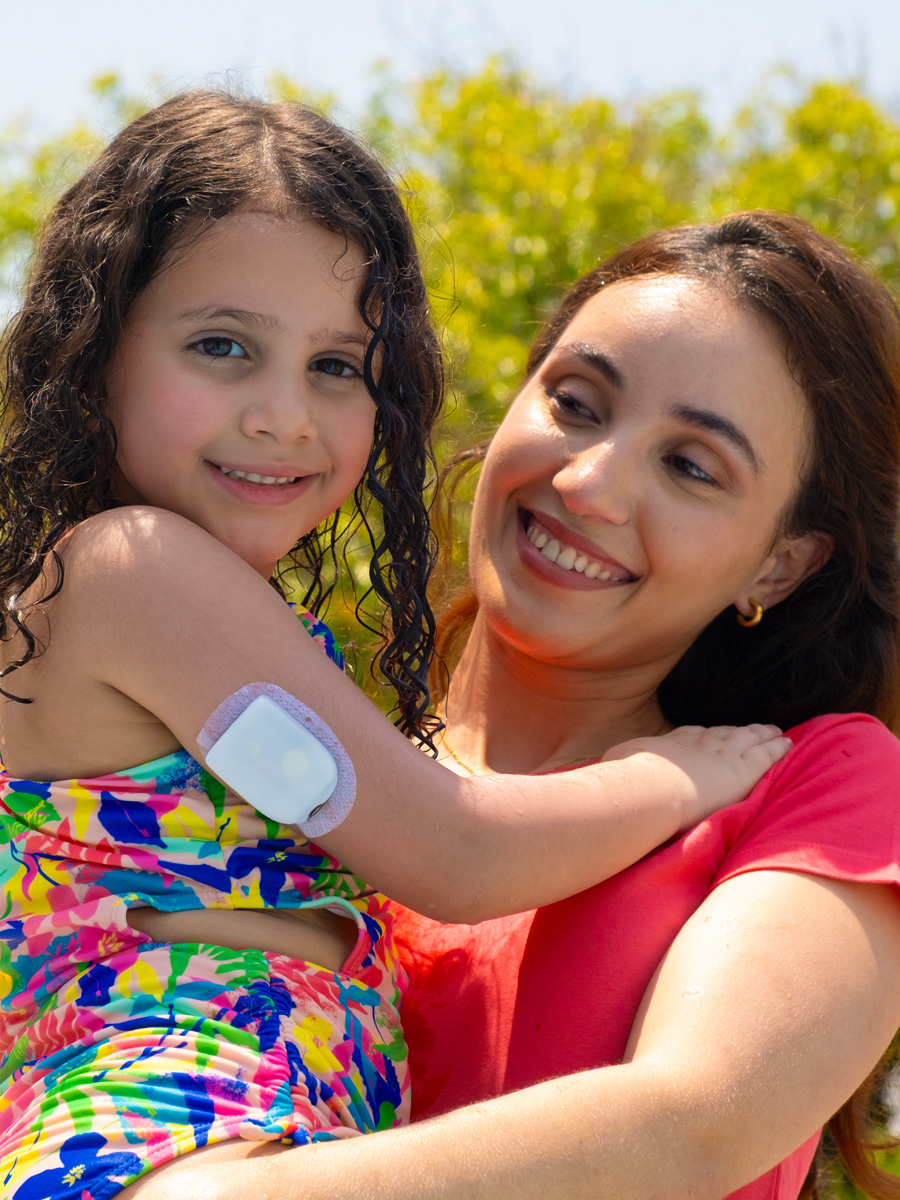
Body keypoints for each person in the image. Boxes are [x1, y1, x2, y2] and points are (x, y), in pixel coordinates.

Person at [0, 95, 785, 1200]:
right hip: (161, 1139)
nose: (284, 414)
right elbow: (456, 856)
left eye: (338, 366)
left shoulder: (192, 614)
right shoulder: (134, 569)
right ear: (94, 354)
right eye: (220, 347)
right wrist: (680, 772)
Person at [128, 211, 900, 1200]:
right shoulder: (295, 787)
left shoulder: (815, 785)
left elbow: (697, 1124)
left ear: (780, 565)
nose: (590, 484)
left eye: (692, 467)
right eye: (576, 403)